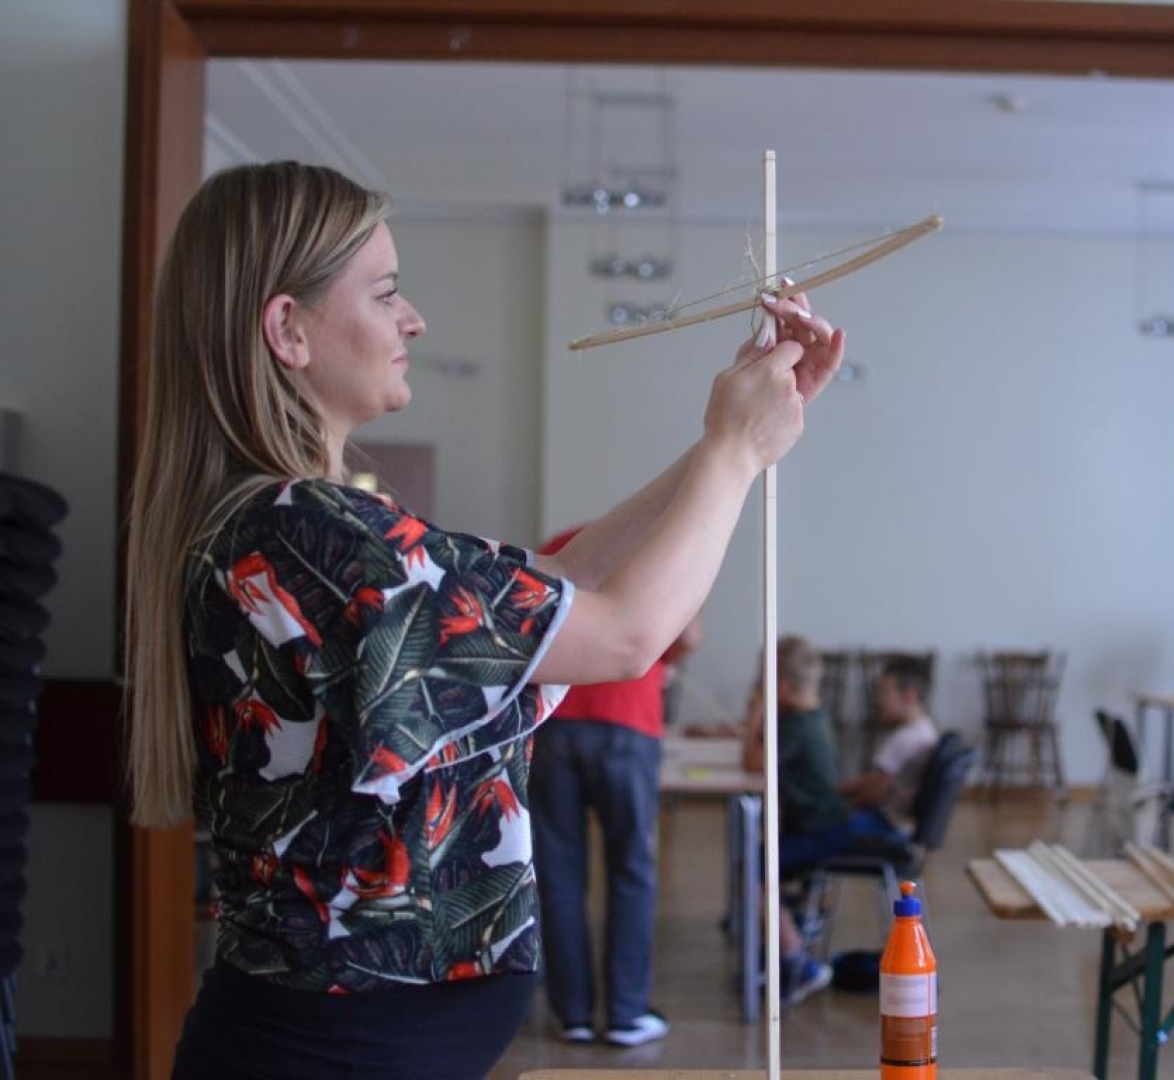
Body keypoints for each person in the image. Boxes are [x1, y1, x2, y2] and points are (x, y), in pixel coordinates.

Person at [122, 161, 844, 1080]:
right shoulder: (315, 535)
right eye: (385, 294)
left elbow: (557, 583)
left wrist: (722, 441)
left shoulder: (297, 526)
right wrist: (737, 456)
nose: (412, 319)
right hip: (330, 1052)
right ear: (287, 330)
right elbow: (623, 635)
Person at [528, 524, 701, 1049]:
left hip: (556, 723)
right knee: (630, 867)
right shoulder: (655, 545)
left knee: (558, 870)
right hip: (627, 721)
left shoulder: (560, 545)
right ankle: (625, 1013)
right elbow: (687, 635)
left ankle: (572, 1012)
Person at [741, 635, 894, 1003]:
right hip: (829, 823)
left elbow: (750, 762)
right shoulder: (812, 715)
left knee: (752, 868)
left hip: (820, 831)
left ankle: (797, 960)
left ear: (779, 686)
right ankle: (784, 942)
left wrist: (757, 710)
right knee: (761, 857)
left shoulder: (792, 726)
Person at [840, 654, 939, 836]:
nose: (879, 700)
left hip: (883, 825)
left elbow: (875, 792)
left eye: (885, 692)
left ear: (909, 695)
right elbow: (877, 779)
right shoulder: (927, 730)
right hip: (901, 825)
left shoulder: (903, 739)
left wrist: (840, 801)